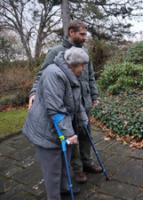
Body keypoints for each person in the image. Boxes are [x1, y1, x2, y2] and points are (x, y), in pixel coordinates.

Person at [28, 20, 101, 183]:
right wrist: (34, 92)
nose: (85, 38)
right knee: (71, 137)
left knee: (85, 135)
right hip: (67, 106)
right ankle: (77, 170)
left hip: (84, 104)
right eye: (82, 34)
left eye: (85, 34)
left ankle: (87, 162)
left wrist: (94, 96)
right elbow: (42, 75)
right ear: (71, 33)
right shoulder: (56, 52)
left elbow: (90, 77)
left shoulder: (85, 52)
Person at [23, 47, 89, 200]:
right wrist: (69, 133)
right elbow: (55, 109)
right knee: (52, 168)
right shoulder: (54, 74)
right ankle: (54, 196)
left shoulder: (71, 74)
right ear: (73, 64)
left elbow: (75, 102)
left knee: (65, 158)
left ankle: (65, 187)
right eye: (82, 65)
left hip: (61, 127)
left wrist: (83, 119)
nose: (84, 68)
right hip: (46, 129)